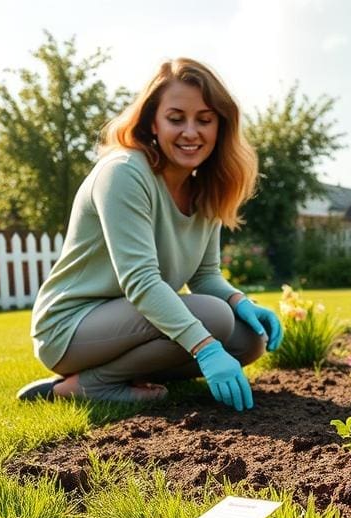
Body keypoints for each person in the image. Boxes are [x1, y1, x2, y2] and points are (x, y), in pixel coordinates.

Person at [16, 58, 282, 411]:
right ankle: (91, 384)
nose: (191, 132)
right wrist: (205, 347)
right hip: (70, 328)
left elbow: (205, 276)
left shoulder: (206, 188)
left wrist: (241, 302)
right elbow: (141, 280)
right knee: (213, 319)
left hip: (131, 325)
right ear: (152, 122)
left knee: (248, 340)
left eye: (204, 120)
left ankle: (119, 375)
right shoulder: (124, 173)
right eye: (176, 118)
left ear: (220, 126)